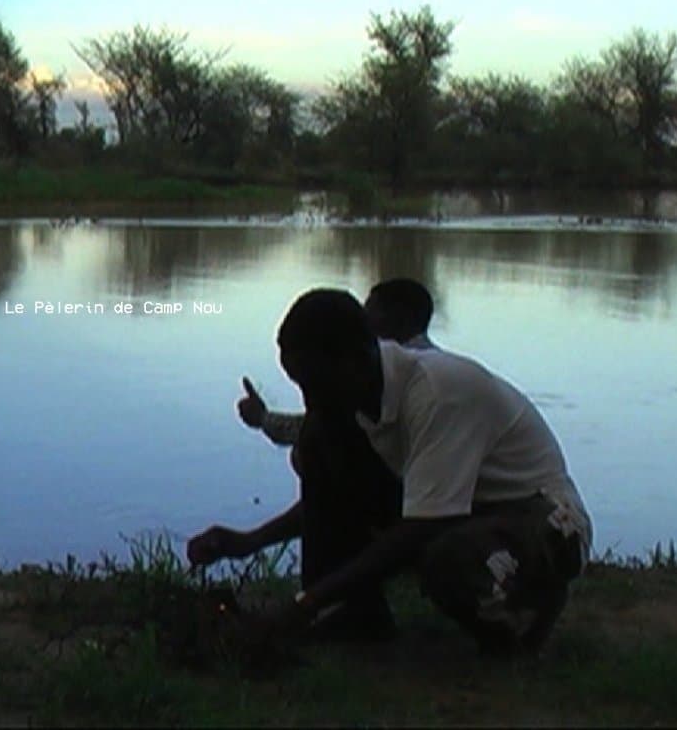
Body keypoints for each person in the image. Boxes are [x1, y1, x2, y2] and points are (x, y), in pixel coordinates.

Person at [189, 289, 592, 656]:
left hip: (543, 518)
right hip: (468, 513)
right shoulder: (359, 399)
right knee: (317, 445)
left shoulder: (438, 393)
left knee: (446, 559)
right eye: (301, 386)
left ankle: (524, 620)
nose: (310, 400)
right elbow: (331, 500)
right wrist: (250, 541)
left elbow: (423, 527)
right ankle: (357, 615)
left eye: (315, 384)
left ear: (357, 358)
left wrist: (304, 605)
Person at [258, 277, 437, 448]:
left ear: (398, 320)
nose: (363, 321)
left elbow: (323, 428)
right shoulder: (433, 365)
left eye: (370, 313)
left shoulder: (398, 384)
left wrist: (263, 418)